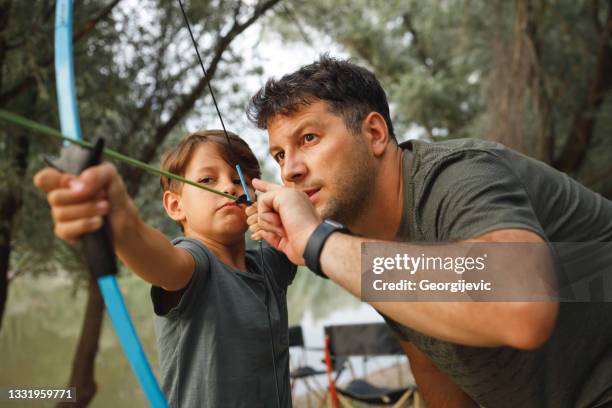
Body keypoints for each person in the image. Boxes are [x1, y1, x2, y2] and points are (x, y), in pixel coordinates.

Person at [245, 55, 612, 407]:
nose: (289, 170)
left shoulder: (459, 174)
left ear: (374, 133)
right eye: (279, 155)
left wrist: (318, 242)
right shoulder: (361, 240)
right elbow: (431, 363)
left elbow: (521, 309)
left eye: (308, 138)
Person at [34, 130, 296, 407]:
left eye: (238, 179)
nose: (230, 188)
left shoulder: (271, 262)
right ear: (175, 205)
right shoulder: (197, 262)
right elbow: (162, 259)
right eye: (208, 179)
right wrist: (124, 226)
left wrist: (289, 213)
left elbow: (316, 222)